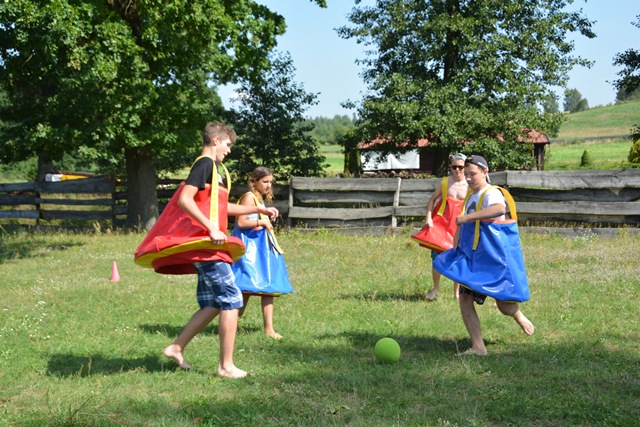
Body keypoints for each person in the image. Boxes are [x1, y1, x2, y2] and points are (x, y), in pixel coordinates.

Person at [161, 121, 279, 378]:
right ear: (215, 140)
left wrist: (258, 208)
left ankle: (176, 347)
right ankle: (226, 366)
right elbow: (184, 199)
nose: (229, 149)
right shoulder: (205, 165)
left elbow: (222, 208)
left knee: (214, 303)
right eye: (227, 144)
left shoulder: (215, 170)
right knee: (232, 299)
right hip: (207, 245)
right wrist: (211, 228)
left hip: (210, 245)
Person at [449, 155, 534, 356]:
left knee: (503, 305)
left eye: (472, 174)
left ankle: (518, 315)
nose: (468, 178)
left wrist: (467, 218)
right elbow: (465, 224)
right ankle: (478, 347)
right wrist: (457, 241)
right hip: (473, 258)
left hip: (492, 258)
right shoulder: (471, 196)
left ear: (485, 172)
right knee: (464, 298)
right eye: (466, 174)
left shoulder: (491, 193)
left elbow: (499, 209)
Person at [231, 167, 294, 340]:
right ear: (254, 182)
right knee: (245, 287)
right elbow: (241, 222)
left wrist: (266, 216)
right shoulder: (249, 197)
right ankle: (231, 324)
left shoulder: (259, 199)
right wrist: (262, 222)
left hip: (261, 249)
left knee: (267, 287)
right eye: (265, 182)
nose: (268, 185)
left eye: (270, 182)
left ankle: (269, 329)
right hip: (250, 250)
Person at [421, 153, 469, 301]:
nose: (457, 170)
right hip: (442, 224)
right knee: (437, 256)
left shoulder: (470, 184)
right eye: (454, 167)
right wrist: (429, 217)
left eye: (460, 167)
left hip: (460, 225)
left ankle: (457, 293)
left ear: (465, 167)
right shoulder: (445, 182)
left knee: (458, 257)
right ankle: (435, 289)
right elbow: (432, 200)